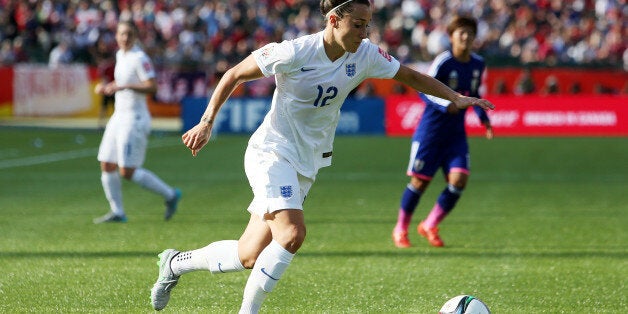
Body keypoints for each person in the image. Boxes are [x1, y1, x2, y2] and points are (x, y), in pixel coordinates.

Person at [150, 2, 494, 313]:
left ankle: (175, 264)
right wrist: (207, 122)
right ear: (334, 19)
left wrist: (455, 97)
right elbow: (234, 74)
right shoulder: (295, 52)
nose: (365, 33)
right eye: (358, 24)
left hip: (307, 161)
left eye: (368, 25)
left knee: (249, 254)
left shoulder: (365, 54)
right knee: (292, 234)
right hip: (271, 152)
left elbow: (410, 75)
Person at [391, 16, 493, 248]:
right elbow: (423, 89)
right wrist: (447, 104)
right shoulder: (444, 62)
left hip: (456, 135)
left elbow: (473, 94)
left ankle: (429, 224)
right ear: (451, 37)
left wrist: (483, 118)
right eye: (461, 33)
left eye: (470, 33)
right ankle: (400, 229)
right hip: (431, 133)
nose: (466, 37)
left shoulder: (478, 63)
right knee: (420, 183)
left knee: (459, 180)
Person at [93, 21, 181, 224]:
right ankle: (118, 212)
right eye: (122, 34)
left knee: (127, 171)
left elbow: (152, 87)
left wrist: (124, 86)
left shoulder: (139, 58)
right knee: (106, 163)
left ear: (135, 36)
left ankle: (170, 194)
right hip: (119, 116)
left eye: (129, 34)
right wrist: (108, 87)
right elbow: (122, 84)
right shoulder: (120, 55)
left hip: (135, 118)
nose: (125, 38)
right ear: (116, 36)